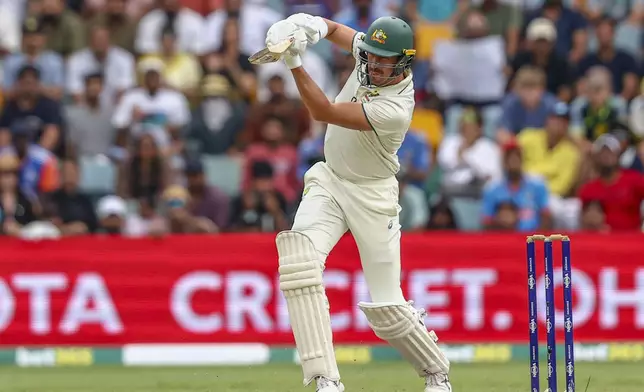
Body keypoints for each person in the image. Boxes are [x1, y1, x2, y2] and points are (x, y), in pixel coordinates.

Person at [265, 14, 450, 392]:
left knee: (387, 309)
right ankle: (325, 380)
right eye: (371, 57)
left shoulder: (396, 108)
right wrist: (311, 26)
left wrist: (294, 62)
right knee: (299, 262)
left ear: (404, 62)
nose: (375, 66)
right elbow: (336, 31)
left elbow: (324, 113)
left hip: (373, 195)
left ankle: (436, 371)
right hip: (330, 181)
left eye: (385, 61)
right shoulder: (371, 53)